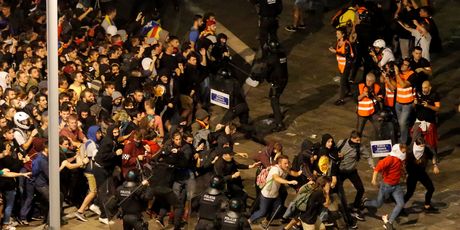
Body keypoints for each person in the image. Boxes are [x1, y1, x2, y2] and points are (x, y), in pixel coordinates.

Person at [363, 144, 407, 230]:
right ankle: (364, 203)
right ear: (398, 151)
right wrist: (374, 179)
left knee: (400, 204)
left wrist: (404, 176)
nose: (404, 153)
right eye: (403, 152)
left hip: (396, 186)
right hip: (386, 186)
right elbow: (378, 167)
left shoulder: (400, 159)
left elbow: (399, 169)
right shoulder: (390, 159)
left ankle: (389, 222)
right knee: (378, 204)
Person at [336, 130, 374, 222]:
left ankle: (355, 207)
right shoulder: (342, 143)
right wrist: (337, 155)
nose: (359, 142)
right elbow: (333, 151)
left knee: (361, 189)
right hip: (340, 172)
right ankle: (338, 208)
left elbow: (368, 156)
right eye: (357, 140)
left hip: (352, 171)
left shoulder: (360, 147)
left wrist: (372, 165)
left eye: (359, 140)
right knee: (338, 191)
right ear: (351, 138)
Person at [249, 155, 298, 225]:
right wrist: (289, 182)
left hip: (275, 195)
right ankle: (249, 220)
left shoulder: (284, 168)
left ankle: (266, 221)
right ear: (279, 163)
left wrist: (300, 173)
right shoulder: (275, 169)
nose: (287, 165)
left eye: (288, 163)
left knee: (277, 209)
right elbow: (276, 178)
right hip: (267, 195)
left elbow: (292, 172)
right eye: (285, 163)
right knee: (262, 212)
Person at [403, 130, 439, 214]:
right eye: (420, 147)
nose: (422, 148)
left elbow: (433, 155)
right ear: (416, 145)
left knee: (431, 188)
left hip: (421, 173)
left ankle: (427, 206)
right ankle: (400, 207)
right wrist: (405, 175)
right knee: (409, 193)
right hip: (412, 174)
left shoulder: (425, 149)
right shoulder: (410, 151)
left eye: (423, 146)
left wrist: (435, 165)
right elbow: (403, 163)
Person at [264, 39, 288, 131]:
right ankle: (277, 114)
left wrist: (258, 77)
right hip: (284, 79)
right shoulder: (282, 54)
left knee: (274, 100)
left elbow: (266, 71)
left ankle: (279, 124)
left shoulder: (272, 58)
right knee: (273, 96)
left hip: (277, 82)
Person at [329, 27, 354, 106]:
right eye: (336, 34)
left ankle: (341, 99)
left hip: (347, 65)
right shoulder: (339, 41)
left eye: (338, 34)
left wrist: (335, 52)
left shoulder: (346, 44)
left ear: (343, 34)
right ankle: (349, 91)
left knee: (342, 82)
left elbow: (346, 55)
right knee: (345, 79)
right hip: (341, 64)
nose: (337, 35)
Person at [413, 80, 440, 153]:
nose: (423, 89)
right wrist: (414, 103)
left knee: (431, 142)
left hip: (430, 121)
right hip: (419, 120)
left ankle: (434, 157)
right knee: (415, 139)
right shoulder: (418, 93)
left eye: (425, 88)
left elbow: (437, 108)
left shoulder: (434, 95)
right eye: (422, 88)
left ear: (430, 88)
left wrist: (428, 106)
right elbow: (413, 106)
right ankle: (419, 158)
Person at [356, 72, 383, 139]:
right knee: (358, 132)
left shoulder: (377, 87)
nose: (368, 82)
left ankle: (378, 144)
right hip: (362, 113)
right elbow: (355, 98)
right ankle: (357, 146)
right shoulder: (360, 86)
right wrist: (363, 94)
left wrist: (374, 95)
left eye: (370, 81)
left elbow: (381, 99)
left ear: (373, 81)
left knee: (379, 129)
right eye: (367, 80)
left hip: (373, 112)